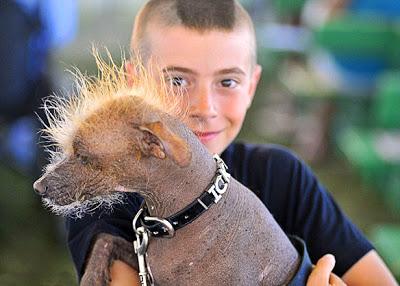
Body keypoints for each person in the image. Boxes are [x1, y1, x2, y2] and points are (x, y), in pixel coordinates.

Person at [65, 1, 397, 285]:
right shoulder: (105, 198)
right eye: (177, 80)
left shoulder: (281, 176)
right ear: (135, 85)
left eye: (227, 81)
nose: (204, 108)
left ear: (251, 87)